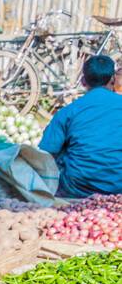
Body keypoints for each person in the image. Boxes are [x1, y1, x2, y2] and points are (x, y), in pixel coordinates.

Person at [38, 55, 122, 199]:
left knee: (61, 148)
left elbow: (46, 153)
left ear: (83, 81)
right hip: (118, 187)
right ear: (113, 80)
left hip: (77, 188)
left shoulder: (68, 111)